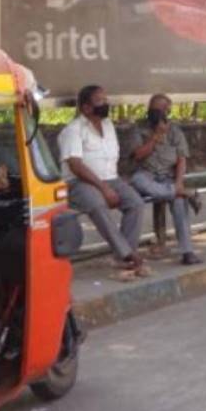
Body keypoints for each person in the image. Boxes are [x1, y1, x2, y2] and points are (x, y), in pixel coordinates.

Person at [59, 85, 146, 280]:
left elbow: (110, 161)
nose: (106, 104)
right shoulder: (73, 130)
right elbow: (76, 166)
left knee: (136, 203)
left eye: (106, 100)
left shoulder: (108, 125)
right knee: (97, 204)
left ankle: (123, 256)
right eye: (100, 101)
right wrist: (104, 188)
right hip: (79, 182)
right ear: (86, 107)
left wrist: (113, 185)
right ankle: (127, 254)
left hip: (111, 179)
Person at [128, 93, 203, 266]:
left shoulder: (175, 131)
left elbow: (182, 160)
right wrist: (155, 137)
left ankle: (187, 252)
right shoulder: (139, 128)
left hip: (168, 177)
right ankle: (184, 193)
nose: (156, 113)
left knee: (178, 202)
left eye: (161, 110)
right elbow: (138, 156)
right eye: (153, 109)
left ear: (167, 112)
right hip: (146, 174)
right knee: (138, 181)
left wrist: (177, 183)